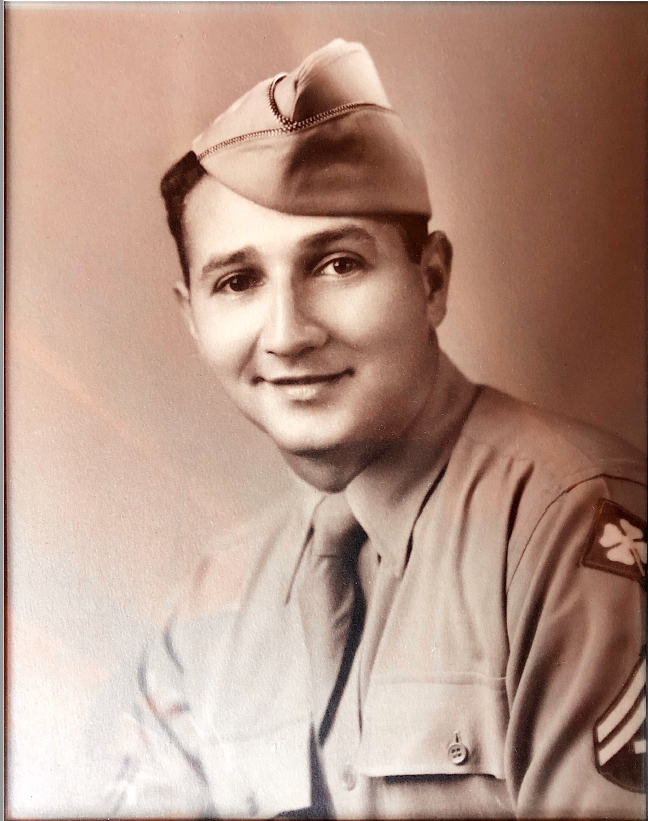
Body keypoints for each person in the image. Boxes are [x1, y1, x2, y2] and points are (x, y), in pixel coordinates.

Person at [104, 39, 646, 818]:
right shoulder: (208, 608)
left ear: (432, 281)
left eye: (337, 265)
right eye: (239, 280)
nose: (288, 334)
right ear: (193, 317)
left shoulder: (570, 530)